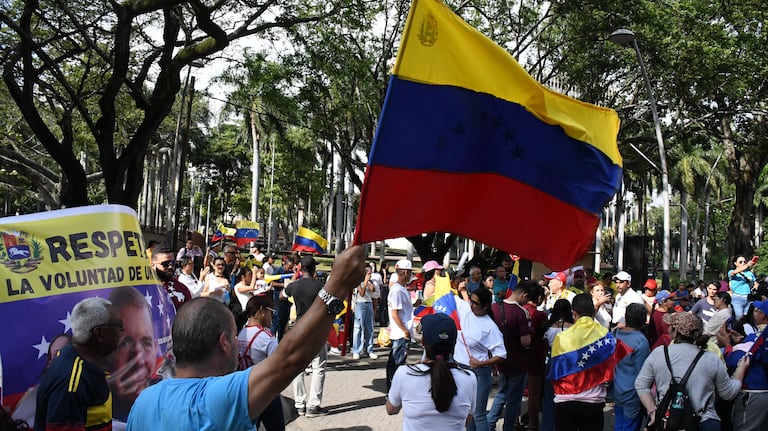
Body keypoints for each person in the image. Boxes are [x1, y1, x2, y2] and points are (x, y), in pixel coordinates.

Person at [126, 245, 366, 429]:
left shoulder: (142, 403)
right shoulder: (217, 397)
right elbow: (290, 359)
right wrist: (336, 286)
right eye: (234, 335)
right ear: (223, 342)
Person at [636, 311, 750, 430]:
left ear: (674, 332)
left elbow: (641, 385)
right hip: (704, 422)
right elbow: (728, 393)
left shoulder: (659, 354)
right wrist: (740, 371)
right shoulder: (711, 359)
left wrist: (652, 410)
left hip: (668, 421)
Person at [34, 297, 122, 431]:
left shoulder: (82, 364)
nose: (122, 331)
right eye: (118, 326)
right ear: (99, 333)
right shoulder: (71, 382)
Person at [548, 293, 629, 431]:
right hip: (593, 402)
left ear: (573, 313)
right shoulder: (605, 335)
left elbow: (557, 371)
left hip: (565, 400)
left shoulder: (561, 338)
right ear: (593, 311)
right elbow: (612, 364)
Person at [386, 313, 477, 430]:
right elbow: (467, 420)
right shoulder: (469, 378)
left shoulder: (404, 374)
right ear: (454, 344)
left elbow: (391, 409)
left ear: (423, 342)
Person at [280, 256, 328, 417]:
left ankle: (299, 404)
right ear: (314, 269)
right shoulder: (320, 287)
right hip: (316, 329)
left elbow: (282, 295)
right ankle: (313, 405)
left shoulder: (295, 286)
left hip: (299, 327)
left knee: (298, 368)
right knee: (318, 367)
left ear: (301, 269)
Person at [454, 288, 507, 431]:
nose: (471, 305)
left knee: (478, 414)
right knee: (466, 412)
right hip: (460, 370)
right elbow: (448, 295)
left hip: (479, 373)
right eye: (471, 301)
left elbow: (501, 354)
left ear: (485, 306)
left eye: (475, 303)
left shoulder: (490, 327)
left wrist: (481, 363)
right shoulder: (465, 308)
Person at [106, 287, 160, 422]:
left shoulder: (168, 407)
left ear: (155, 347)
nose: (139, 359)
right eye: (124, 344)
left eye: (146, 343)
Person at [488, 281, 533, 431]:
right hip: (518, 361)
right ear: (523, 295)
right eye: (527, 299)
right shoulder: (521, 312)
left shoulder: (494, 308)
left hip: (500, 359)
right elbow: (525, 341)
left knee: (501, 394)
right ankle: (508, 427)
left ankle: (489, 424)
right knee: (514, 399)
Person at [237, 295, 282, 431]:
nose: (272, 317)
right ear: (261, 310)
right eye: (271, 312)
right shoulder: (267, 338)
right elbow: (278, 368)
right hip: (266, 393)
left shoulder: (239, 333)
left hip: (243, 392)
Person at [722, 299, 768, 431]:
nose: (754, 313)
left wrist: (728, 346)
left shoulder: (760, 339)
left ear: (763, 316)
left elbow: (735, 360)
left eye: (757, 310)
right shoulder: (754, 336)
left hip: (755, 392)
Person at [612, 303, 650, 431]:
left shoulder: (615, 334)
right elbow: (643, 373)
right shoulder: (641, 341)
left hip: (617, 389)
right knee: (629, 426)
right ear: (644, 320)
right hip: (633, 393)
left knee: (619, 423)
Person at [541, 299, 574, 431]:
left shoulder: (548, 327)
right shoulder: (572, 327)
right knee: (566, 398)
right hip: (568, 363)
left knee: (549, 398)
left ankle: (547, 427)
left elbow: (544, 344)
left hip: (552, 361)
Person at [386, 259, 415, 391]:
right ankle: (393, 390)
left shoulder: (400, 289)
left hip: (400, 332)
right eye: (409, 273)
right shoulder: (397, 290)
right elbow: (395, 314)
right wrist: (405, 330)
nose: (410, 275)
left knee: (395, 362)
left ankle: (393, 389)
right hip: (400, 333)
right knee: (397, 363)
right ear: (404, 272)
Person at [352, 266, 378, 360]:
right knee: (358, 328)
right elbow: (361, 293)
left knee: (369, 328)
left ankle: (369, 349)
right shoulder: (358, 282)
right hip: (360, 304)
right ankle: (356, 350)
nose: (370, 275)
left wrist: (369, 283)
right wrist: (365, 281)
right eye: (369, 273)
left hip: (369, 303)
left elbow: (373, 290)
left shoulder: (370, 282)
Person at [729, 255, 757, 319]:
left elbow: (755, 282)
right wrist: (747, 265)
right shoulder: (732, 271)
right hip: (737, 298)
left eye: (744, 261)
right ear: (735, 263)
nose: (743, 263)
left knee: (747, 318)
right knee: (739, 318)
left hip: (748, 298)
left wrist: (755, 286)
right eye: (740, 262)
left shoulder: (749, 273)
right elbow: (733, 273)